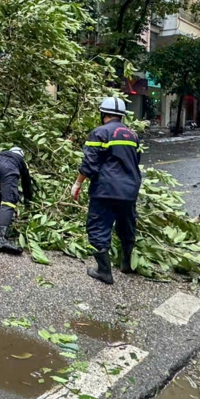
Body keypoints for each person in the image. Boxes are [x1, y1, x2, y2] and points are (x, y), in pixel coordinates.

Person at [71, 96, 142, 284]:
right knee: (126, 226)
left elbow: (89, 164)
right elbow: (137, 160)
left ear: (103, 113)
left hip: (106, 190)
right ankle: (126, 264)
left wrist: (77, 184)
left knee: (98, 227)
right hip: (130, 190)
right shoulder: (133, 135)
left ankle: (104, 271)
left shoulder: (100, 133)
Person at [0, 147, 33, 255]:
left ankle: (1, 227)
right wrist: (28, 202)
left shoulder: (2, 153)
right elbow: (26, 184)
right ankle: (1, 239)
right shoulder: (20, 160)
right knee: (9, 201)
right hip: (8, 168)